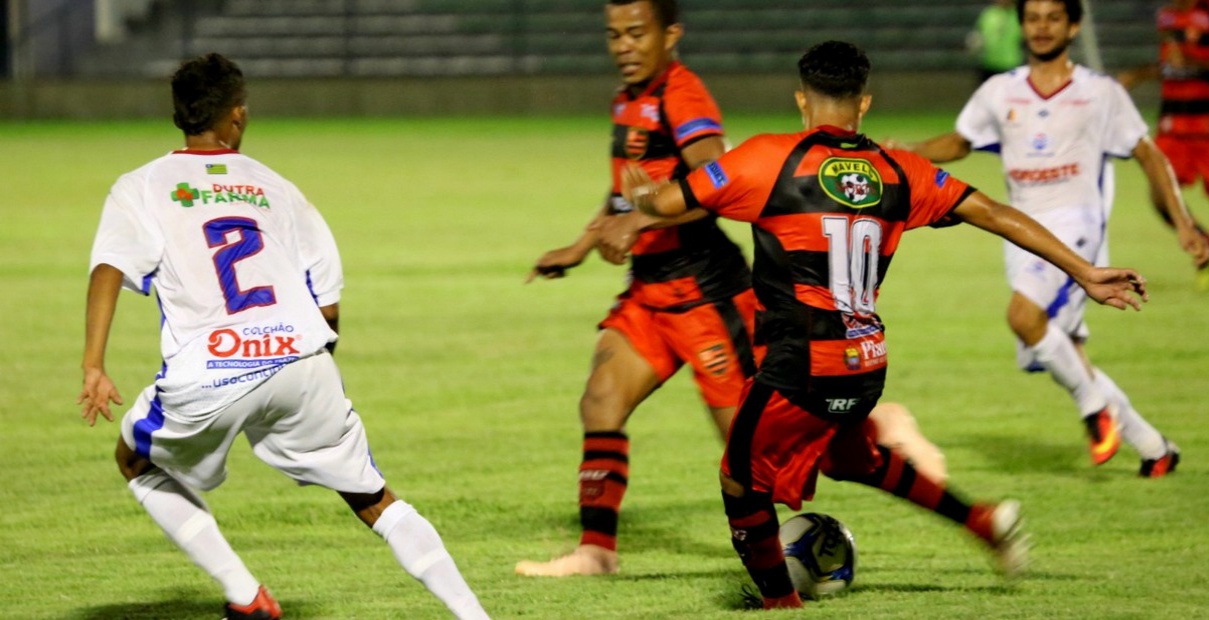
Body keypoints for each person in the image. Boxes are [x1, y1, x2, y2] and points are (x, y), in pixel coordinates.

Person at [624, 38, 1151, 610]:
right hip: (863, 361)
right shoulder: (900, 169)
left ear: (802, 100)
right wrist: (1084, 271)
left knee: (739, 479)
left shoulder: (766, 159)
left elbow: (668, 203)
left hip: (800, 365)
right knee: (854, 460)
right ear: (864, 103)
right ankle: (980, 521)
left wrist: (643, 197)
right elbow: (995, 213)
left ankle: (780, 604)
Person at [516, 0, 951, 578]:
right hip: (650, 290)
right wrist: (581, 244)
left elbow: (710, 184)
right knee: (600, 401)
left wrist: (639, 221)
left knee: (762, 457)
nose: (623, 46)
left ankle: (880, 429)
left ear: (671, 34)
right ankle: (596, 551)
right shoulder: (629, 99)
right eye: (614, 35)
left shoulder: (683, 96)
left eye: (636, 33)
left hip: (707, 294)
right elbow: (626, 189)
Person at [77, 53, 489, 620]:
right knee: (372, 497)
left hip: (213, 369)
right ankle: (474, 615)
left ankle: (246, 595)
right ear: (237, 116)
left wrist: (93, 364)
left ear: (179, 115)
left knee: (134, 459)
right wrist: (315, 369)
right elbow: (328, 301)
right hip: (300, 357)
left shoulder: (141, 186)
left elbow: (108, 269)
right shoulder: (276, 187)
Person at [896, 0, 1207, 476]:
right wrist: (904, 152)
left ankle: (1094, 411)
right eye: (1033, 18)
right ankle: (1154, 448)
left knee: (1023, 317)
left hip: (1078, 228)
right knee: (1066, 353)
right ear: (1022, 25)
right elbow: (959, 143)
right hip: (1022, 232)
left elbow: (1148, 153)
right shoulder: (1000, 90)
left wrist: (1183, 221)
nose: (1042, 27)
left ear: (1073, 26)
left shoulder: (1100, 92)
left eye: (1053, 18)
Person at [1118, 0, 1209, 295]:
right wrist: (1139, 75)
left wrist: (1196, 62)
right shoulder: (1167, 16)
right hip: (1173, 126)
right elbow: (1170, 65)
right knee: (1160, 196)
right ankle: (1202, 240)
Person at [968, 0, 1025, 84]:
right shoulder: (988, 14)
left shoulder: (1018, 15)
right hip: (988, 63)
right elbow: (979, 34)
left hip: (1010, 64)